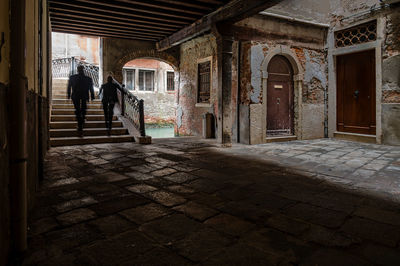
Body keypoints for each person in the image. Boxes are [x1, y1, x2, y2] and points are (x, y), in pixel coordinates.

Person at [67, 65, 95, 136]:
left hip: (75, 96)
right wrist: (92, 96)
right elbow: (91, 88)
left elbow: (69, 87)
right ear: (83, 70)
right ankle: (82, 121)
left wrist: (68, 95)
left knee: (77, 110)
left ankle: (80, 124)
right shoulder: (88, 79)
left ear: (77, 70)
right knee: (83, 109)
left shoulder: (72, 77)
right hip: (84, 96)